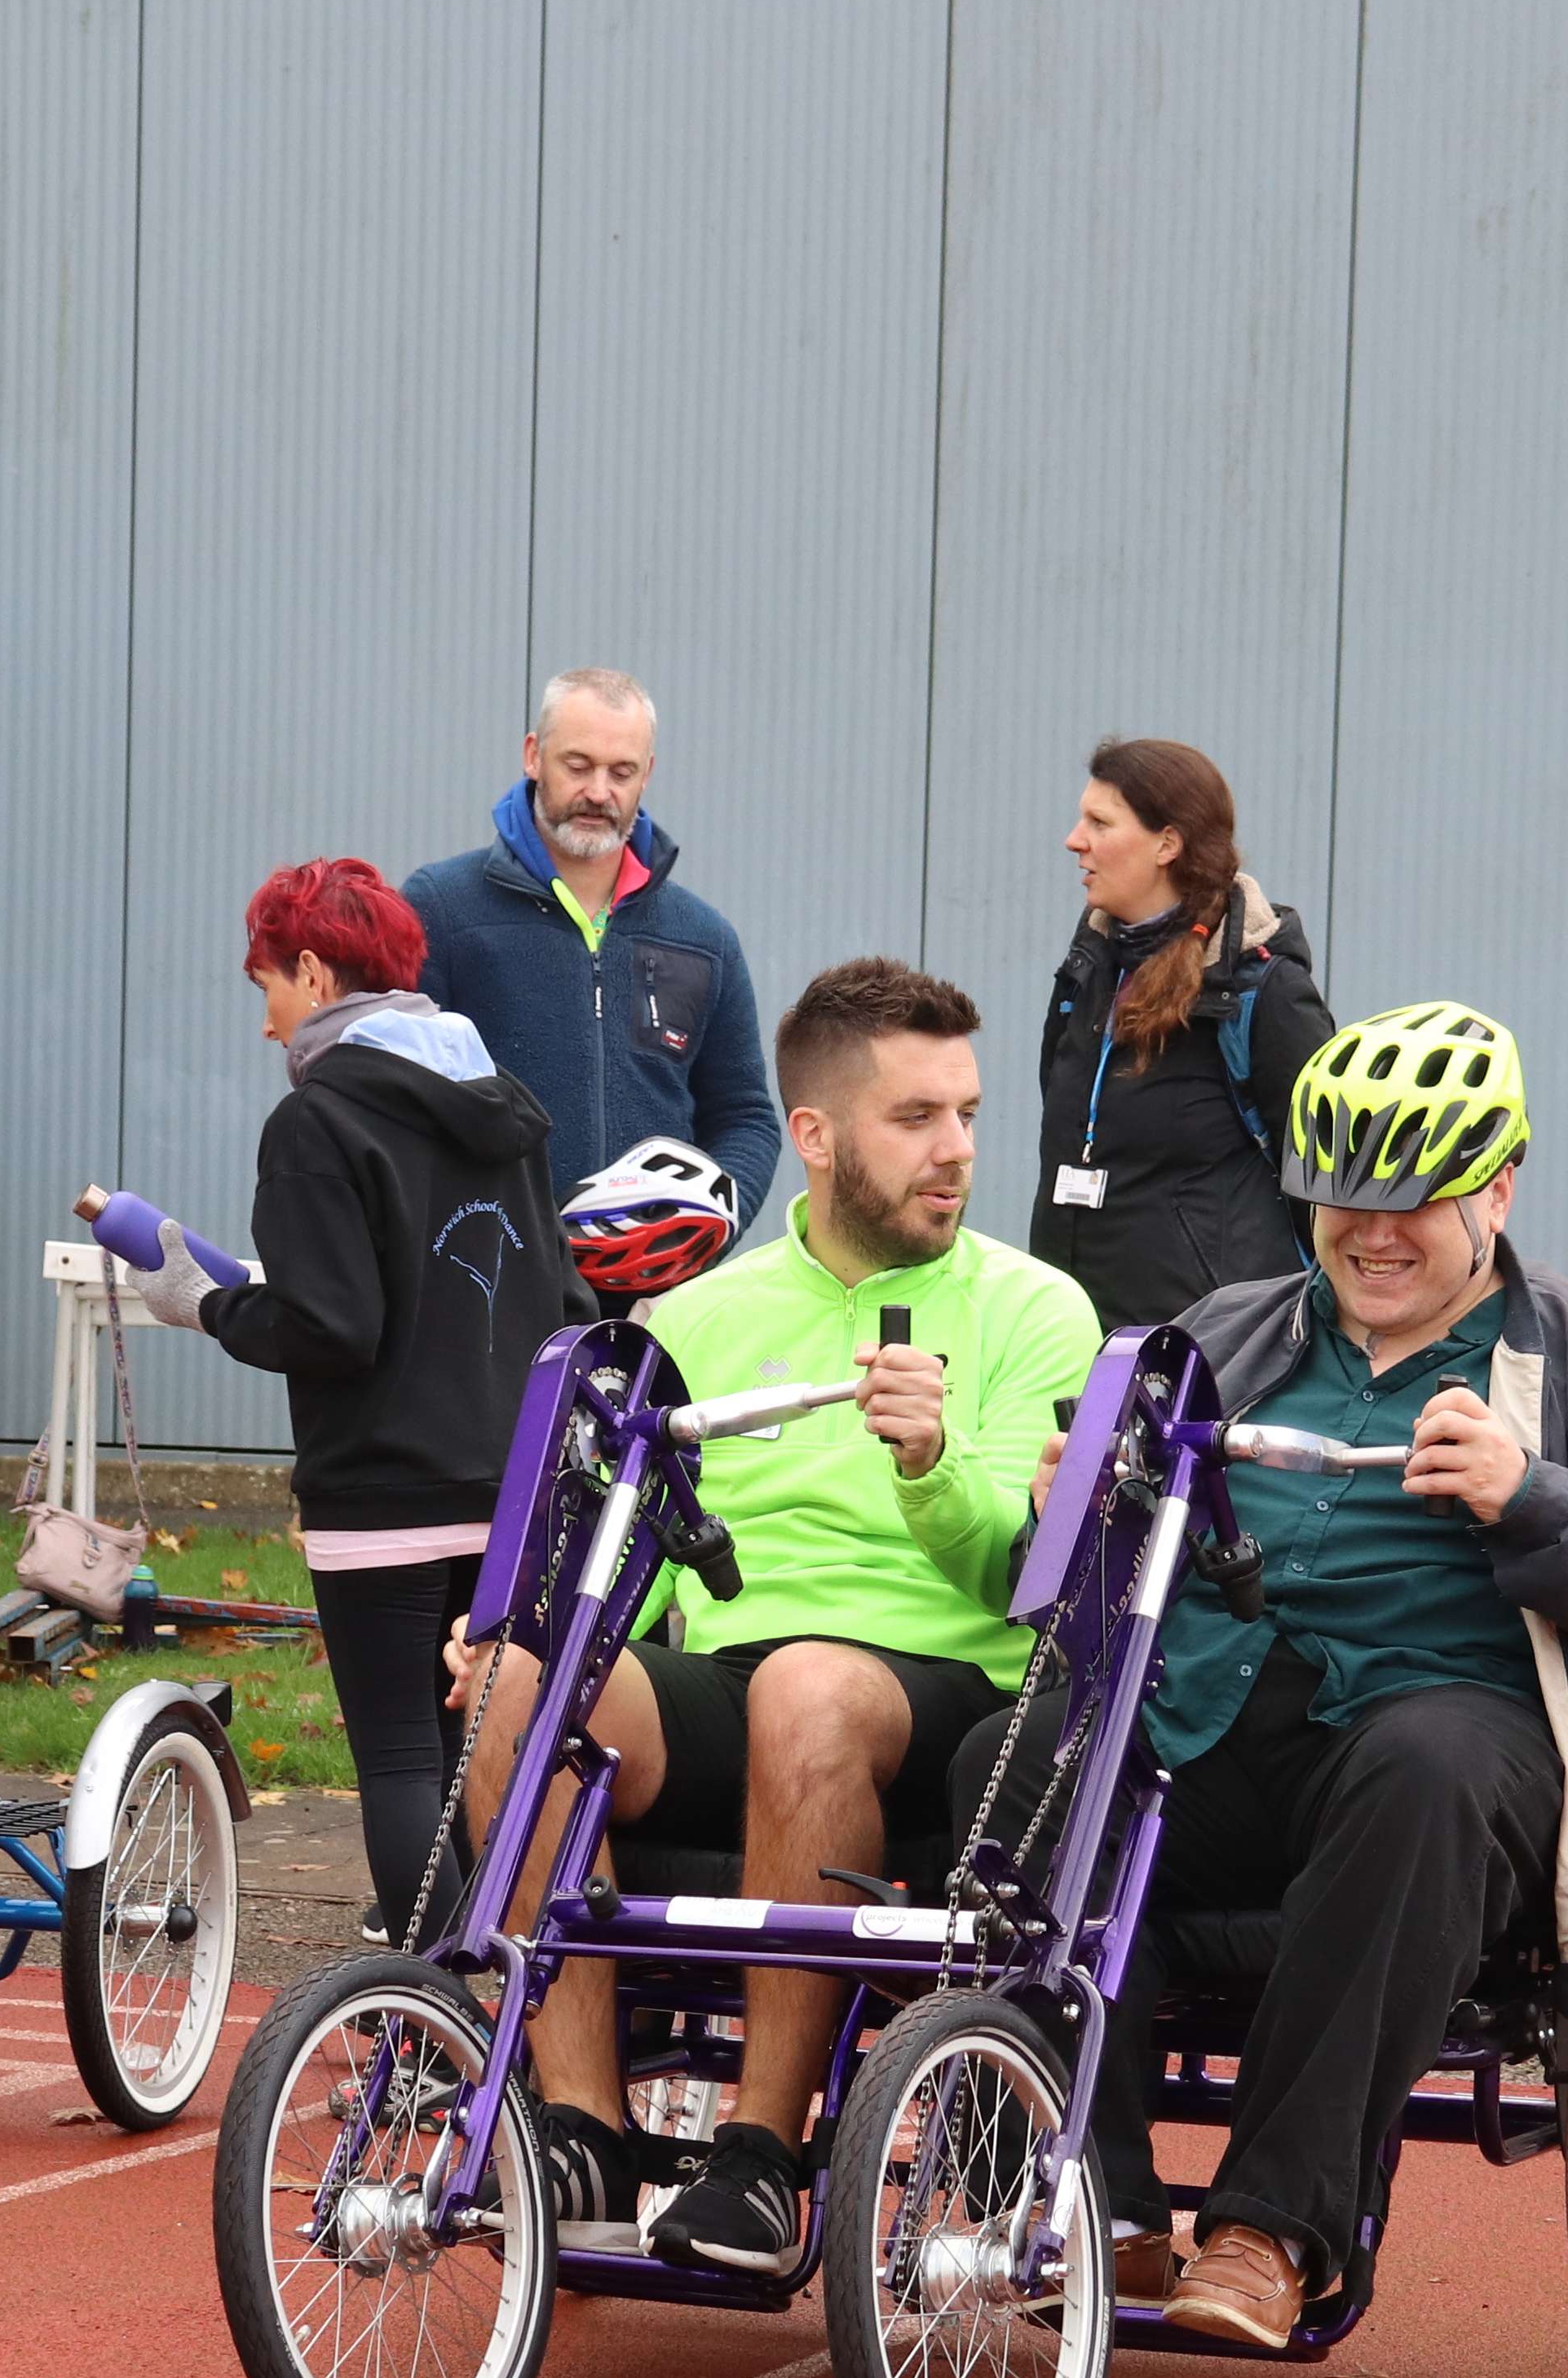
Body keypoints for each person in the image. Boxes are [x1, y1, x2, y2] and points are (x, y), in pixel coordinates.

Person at [983, 1002, 1568, 2344]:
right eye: (1345, 1202)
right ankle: (1093, 2207)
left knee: (1424, 1764)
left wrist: (1537, 1500)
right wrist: (1075, 1508)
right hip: (1229, 1719)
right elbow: (1063, 1581)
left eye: (1417, 1200)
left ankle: (1274, 2233)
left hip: (1455, 1739)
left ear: (1499, 1187)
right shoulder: (1231, 1335)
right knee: (1030, 1751)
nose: (1376, 1234)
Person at [458, 958, 1100, 2274]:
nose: (957, 1152)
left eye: (968, 1115)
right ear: (813, 1136)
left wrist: (932, 1470)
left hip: (942, 1688)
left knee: (807, 1685)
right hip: (741, 1677)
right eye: (915, 1119)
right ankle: (584, 2128)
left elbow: (1020, 1582)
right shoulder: (696, 1315)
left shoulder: (1038, 1309)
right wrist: (513, 1623)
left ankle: (761, 2154)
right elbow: (626, 1555)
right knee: (525, 1681)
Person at [108, 858, 583, 1939]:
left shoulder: (317, 1123)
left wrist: (203, 1305)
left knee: (404, 1761)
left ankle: (429, 2006)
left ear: (315, 974)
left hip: (380, 1491)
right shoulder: (507, 1110)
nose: (269, 1023)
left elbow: (332, 1325)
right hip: (509, 1484)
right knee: (486, 1750)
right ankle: (503, 2000)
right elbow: (558, 1292)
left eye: (268, 985)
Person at [404, 668, 780, 1223]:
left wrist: (705, 1238)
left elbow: (745, 1118)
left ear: (647, 774)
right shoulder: (440, 909)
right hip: (487, 1285)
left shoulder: (704, 938)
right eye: (577, 766)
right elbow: (394, 1106)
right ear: (534, 756)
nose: (599, 792)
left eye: (621, 772)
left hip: (655, 1296)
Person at [1028, 737, 1336, 1330]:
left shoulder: (1260, 990)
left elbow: (1327, 1183)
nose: (1075, 839)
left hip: (1208, 1356)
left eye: (1099, 822)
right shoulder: (1088, 969)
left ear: (1167, 843)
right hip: (1071, 1345)